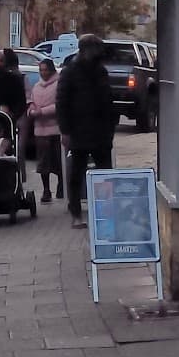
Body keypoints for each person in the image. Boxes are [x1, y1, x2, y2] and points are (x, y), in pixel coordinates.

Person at [55, 33, 115, 227]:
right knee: (76, 174)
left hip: (101, 132)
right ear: (85, 50)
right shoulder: (69, 72)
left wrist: (111, 127)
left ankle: (106, 213)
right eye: (95, 50)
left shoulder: (100, 71)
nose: (98, 54)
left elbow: (108, 100)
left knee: (105, 174)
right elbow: (61, 102)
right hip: (78, 131)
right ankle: (76, 214)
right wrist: (65, 130)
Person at [28, 58, 63, 203]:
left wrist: (42, 111)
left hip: (55, 130)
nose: (43, 73)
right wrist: (31, 110)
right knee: (43, 163)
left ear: (51, 70)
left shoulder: (59, 85)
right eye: (41, 70)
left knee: (58, 161)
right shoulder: (36, 86)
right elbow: (31, 101)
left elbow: (60, 105)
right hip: (40, 131)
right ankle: (46, 190)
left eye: (45, 70)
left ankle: (61, 186)